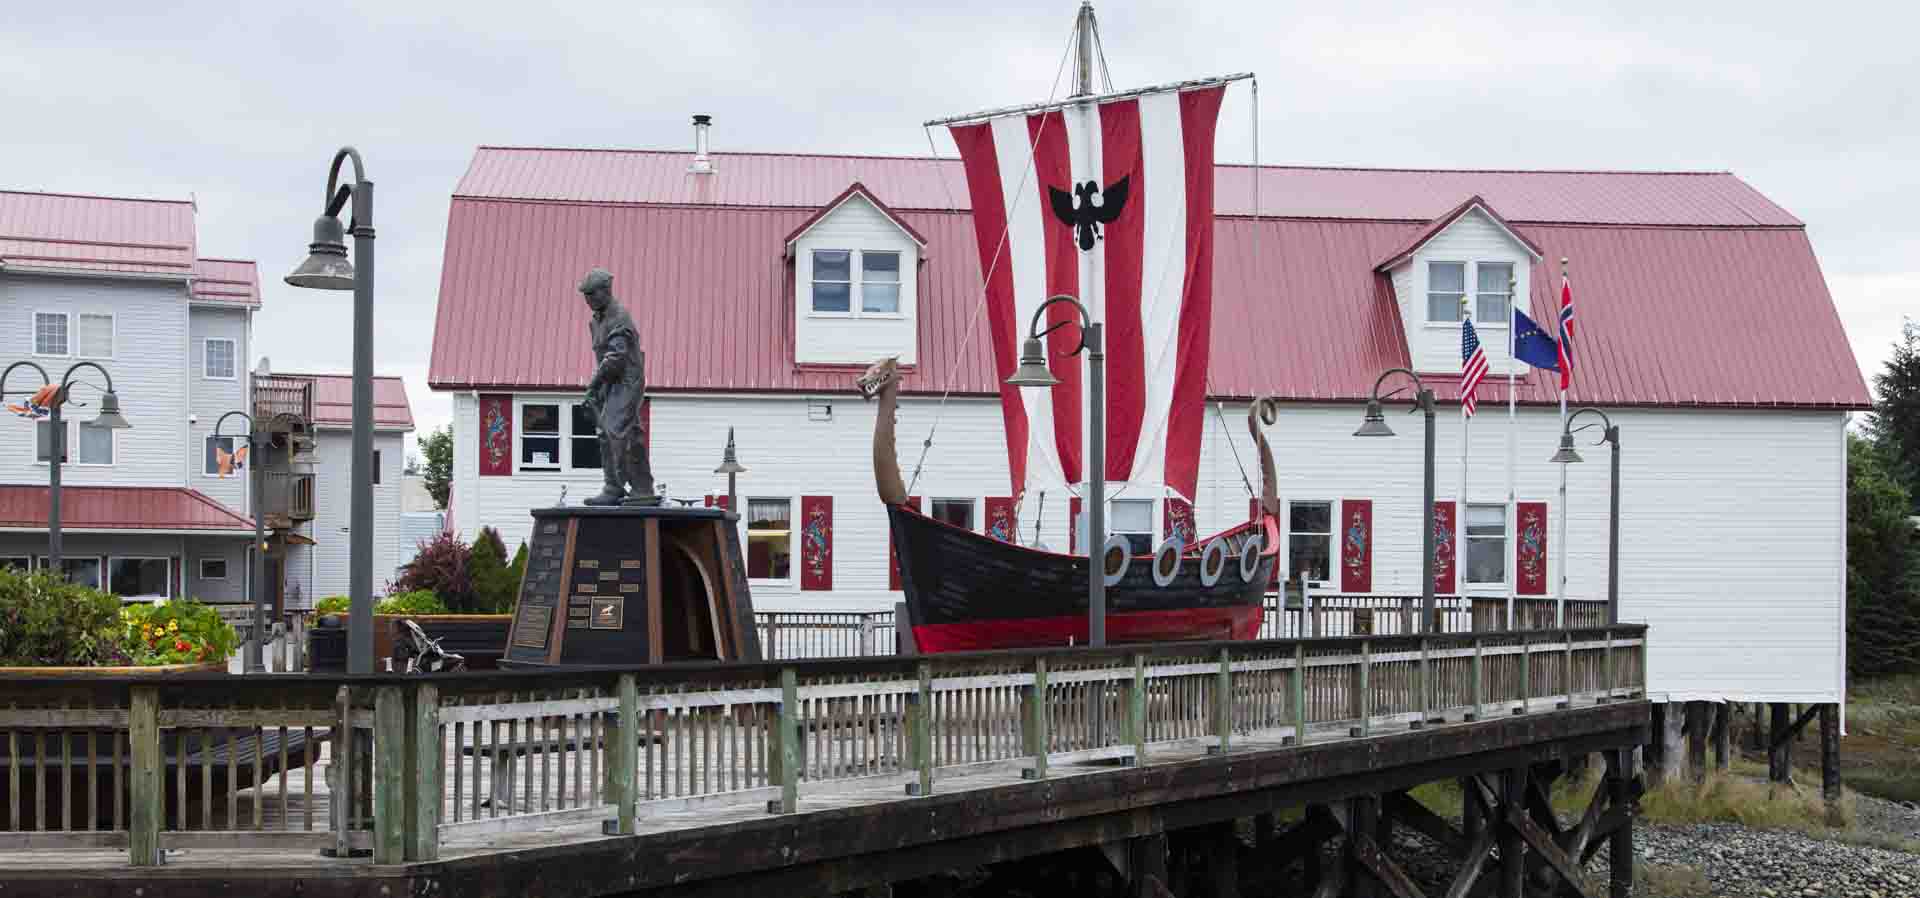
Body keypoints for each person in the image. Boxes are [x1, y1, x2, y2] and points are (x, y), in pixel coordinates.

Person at [577, 268, 655, 505]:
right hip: (611, 380)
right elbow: (603, 359)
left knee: (610, 430)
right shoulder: (595, 321)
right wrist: (600, 388)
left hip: (627, 380)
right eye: (585, 295)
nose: (588, 299)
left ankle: (614, 487)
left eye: (591, 294)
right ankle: (642, 487)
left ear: (606, 290)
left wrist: (593, 385)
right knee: (631, 433)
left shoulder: (619, 317)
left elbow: (616, 358)